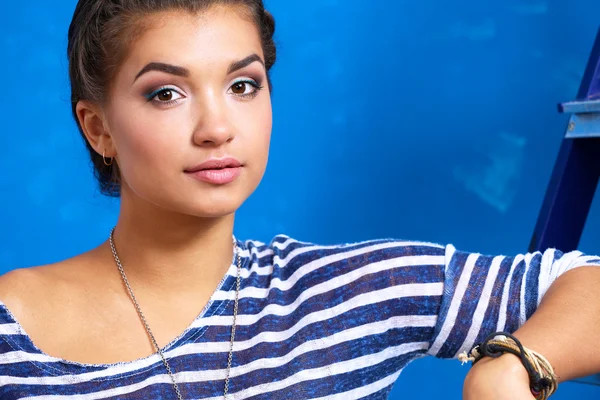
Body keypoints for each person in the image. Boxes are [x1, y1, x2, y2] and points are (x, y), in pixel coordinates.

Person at [0, 0, 599, 399]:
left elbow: (585, 281)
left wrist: (516, 364)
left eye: (242, 85)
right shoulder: (12, 326)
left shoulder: (349, 294)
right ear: (98, 127)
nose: (217, 127)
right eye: (166, 94)